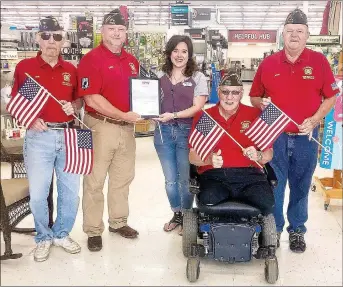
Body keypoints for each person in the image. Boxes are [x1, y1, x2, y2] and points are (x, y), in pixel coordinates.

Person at [249, 9, 339, 253]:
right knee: (275, 185)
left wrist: (315, 119)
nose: (294, 35)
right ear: (283, 35)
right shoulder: (268, 64)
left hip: (305, 138)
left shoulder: (319, 62)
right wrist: (261, 103)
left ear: (307, 34)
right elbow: (254, 96)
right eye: (290, 31)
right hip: (274, 138)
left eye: (300, 31)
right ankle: (275, 230)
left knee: (300, 186)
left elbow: (331, 97)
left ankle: (297, 230)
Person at [8, 16, 83, 262]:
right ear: (39, 39)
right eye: (47, 36)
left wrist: (74, 105)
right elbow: (16, 104)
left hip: (69, 135)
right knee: (39, 194)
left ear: (64, 41)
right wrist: (29, 120)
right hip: (38, 138)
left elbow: (79, 100)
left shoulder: (71, 70)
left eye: (57, 36)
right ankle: (43, 236)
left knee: (70, 192)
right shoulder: (25, 68)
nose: (52, 41)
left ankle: (61, 233)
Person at [77, 9, 142, 252]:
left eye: (121, 29)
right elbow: (91, 99)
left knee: (122, 179)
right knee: (94, 181)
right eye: (111, 28)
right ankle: (93, 230)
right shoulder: (91, 59)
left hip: (127, 130)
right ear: (102, 31)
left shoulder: (132, 61)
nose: (116, 33)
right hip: (100, 127)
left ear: (126, 33)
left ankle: (118, 222)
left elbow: (138, 95)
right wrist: (123, 115)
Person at [189, 73, 276, 238]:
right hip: (215, 175)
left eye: (235, 92)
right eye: (225, 92)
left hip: (250, 176)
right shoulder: (206, 116)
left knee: (268, 203)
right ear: (218, 92)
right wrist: (209, 160)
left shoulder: (254, 114)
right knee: (207, 200)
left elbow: (268, 154)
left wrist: (258, 155)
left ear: (241, 93)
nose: (230, 97)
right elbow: (192, 157)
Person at [153, 35, 208, 234]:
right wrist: (150, 113)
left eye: (184, 51)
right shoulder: (158, 75)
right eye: (175, 50)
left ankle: (187, 216)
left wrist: (173, 115)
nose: (179, 55)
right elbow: (149, 100)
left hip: (187, 132)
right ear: (169, 53)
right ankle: (176, 213)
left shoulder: (198, 77)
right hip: (163, 133)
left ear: (190, 54)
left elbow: (198, 107)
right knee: (170, 180)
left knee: (185, 179)